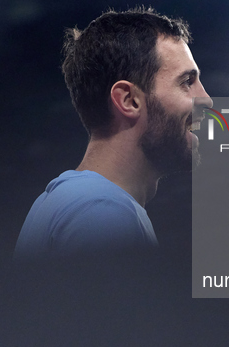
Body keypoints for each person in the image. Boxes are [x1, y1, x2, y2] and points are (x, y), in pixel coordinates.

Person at [15, 7, 212, 260]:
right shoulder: (101, 212)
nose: (205, 99)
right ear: (129, 100)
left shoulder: (71, 201)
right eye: (186, 82)